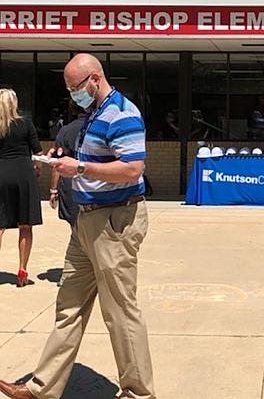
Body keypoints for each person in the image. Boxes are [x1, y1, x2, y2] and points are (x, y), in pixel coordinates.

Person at [0, 54, 155, 399]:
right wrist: (62, 158)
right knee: (68, 306)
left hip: (114, 220)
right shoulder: (93, 115)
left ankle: (137, 392)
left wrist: (81, 168)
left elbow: (132, 169)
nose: (73, 95)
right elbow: (93, 157)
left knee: (120, 311)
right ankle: (43, 387)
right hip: (86, 221)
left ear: (95, 80)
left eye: (76, 88)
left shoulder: (123, 114)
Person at [0, 88, 43, 288]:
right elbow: (37, 152)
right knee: (25, 225)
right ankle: (22, 271)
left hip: (1, 173)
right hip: (23, 173)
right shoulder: (25, 123)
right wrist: (37, 171)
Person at [48, 101, 85, 256]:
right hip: (95, 184)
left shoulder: (65, 131)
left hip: (70, 185)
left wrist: (53, 190)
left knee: (76, 229)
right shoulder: (99, 127)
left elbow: (58, 163)